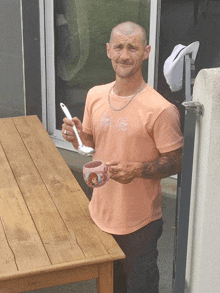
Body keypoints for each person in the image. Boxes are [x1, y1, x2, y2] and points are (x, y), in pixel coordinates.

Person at [62, 21, 183, 293]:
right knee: (109, 287)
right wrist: (76, 135)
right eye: (118, 47)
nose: (125, 55)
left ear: (146, 52)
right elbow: (93, 141)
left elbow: (176, 162)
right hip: (100, 212)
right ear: (108, 51)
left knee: (141, 287)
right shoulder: (95, 95)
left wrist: (138, 170)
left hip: (140, 223)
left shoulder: (161, 110)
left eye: (133, 47)